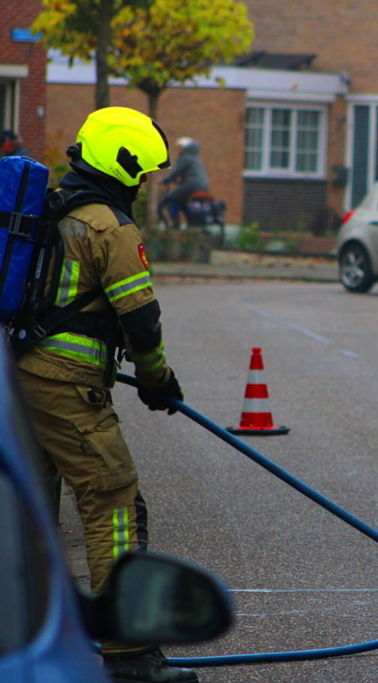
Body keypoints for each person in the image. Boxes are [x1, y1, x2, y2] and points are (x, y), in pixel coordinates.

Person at [15, 107, 197, 683]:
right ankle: (130, 654)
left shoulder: (48, 210)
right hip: (68, 389)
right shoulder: (109, 227)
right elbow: (140, 321)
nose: (144, 186)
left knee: (30, 513)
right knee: (113, 501)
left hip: (18, 381)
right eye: (142, 174)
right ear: (123, 165)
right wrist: (156, 380)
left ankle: (26, 639)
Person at [157, 137, 208, 229]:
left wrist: (165, 180)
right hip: (202, 186)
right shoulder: (196, 158)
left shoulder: (186, 157)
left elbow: (177, 172)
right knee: (182, 201)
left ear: (184, 148)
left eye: (179, 147)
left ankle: (175, 223)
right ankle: (192, 222)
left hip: (191, 185)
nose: (178, 150)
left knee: (170, 199)